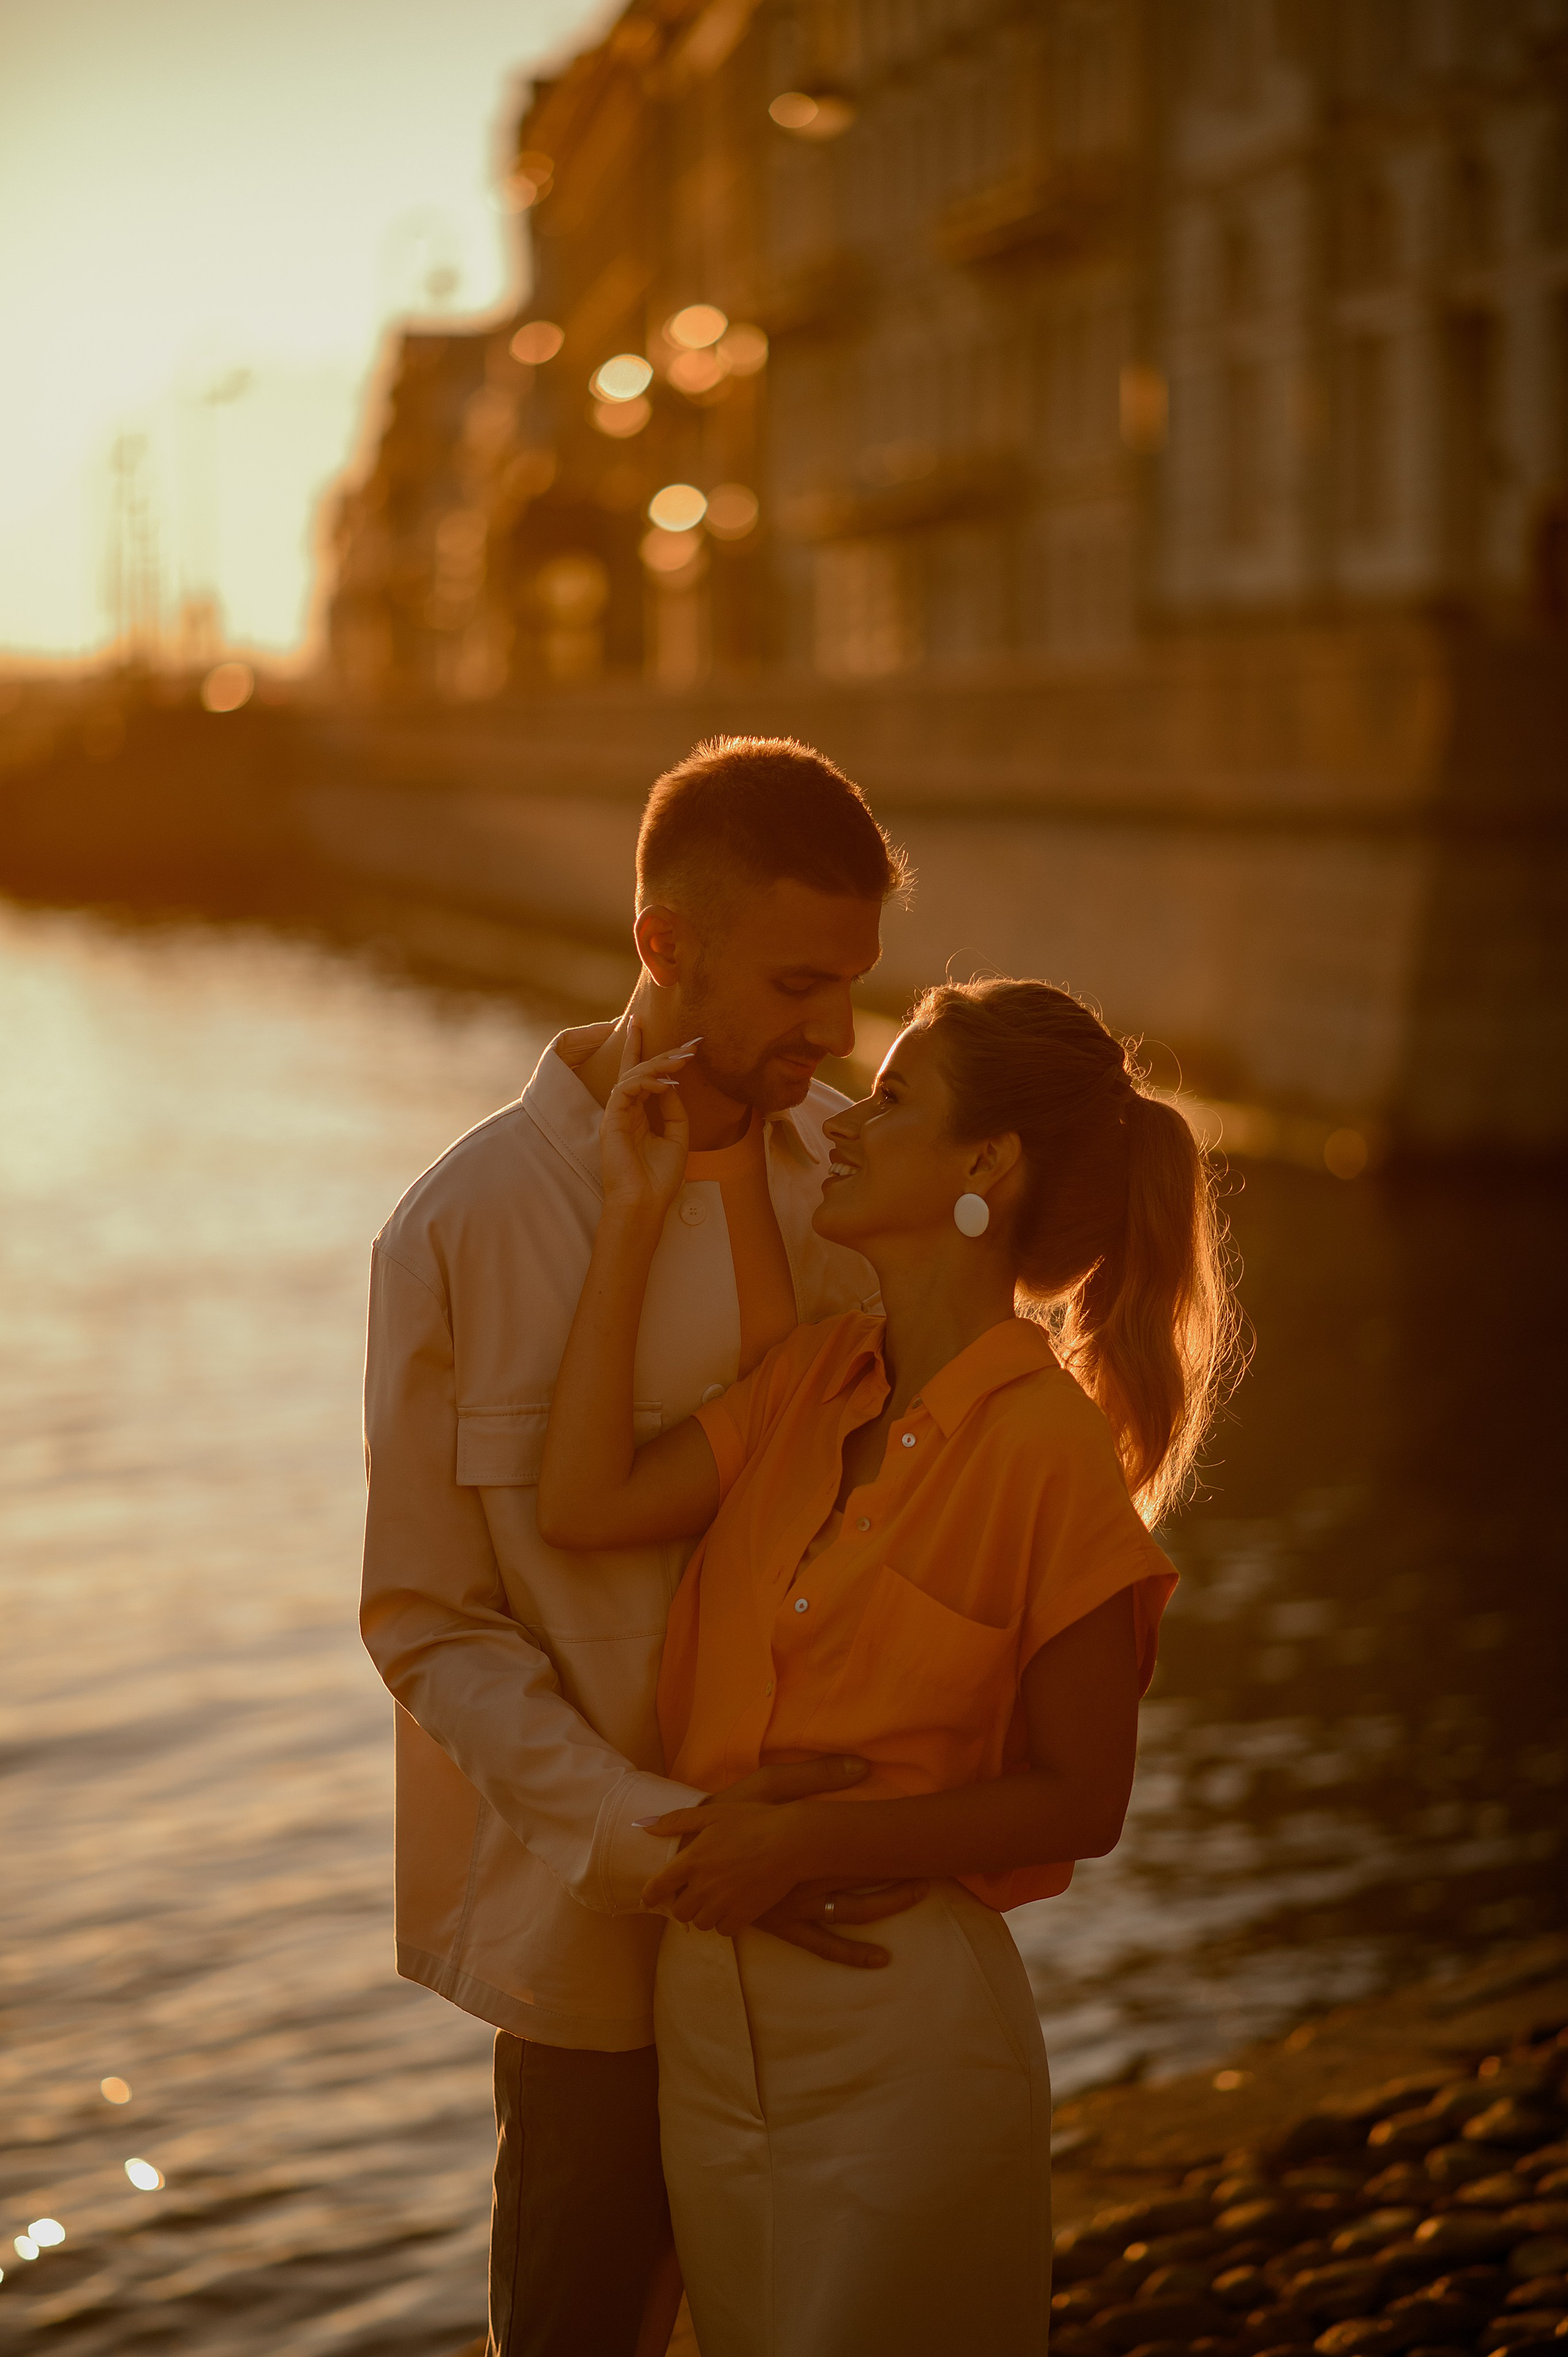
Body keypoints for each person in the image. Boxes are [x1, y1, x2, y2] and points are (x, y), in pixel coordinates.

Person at [537, 976, 1242, 2357]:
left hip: (900, 2048)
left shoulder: (1049, 1450)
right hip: (708, 2027)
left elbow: (1080, 1796)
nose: (846, 1120)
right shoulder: (814, 1377)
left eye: (896, 1098)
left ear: (986, 1165)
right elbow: (580, 1502)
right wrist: (633, 1210)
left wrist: (806, 1841)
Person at [359, 736, 933, 2357]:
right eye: (799, 983)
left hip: (836, 1909)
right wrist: (659, 1838)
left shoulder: (858, 1181)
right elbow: (427, 1623)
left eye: (855, 985)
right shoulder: (459, 1227)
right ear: (662, 945)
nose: (836, 1036)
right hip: (595, 1952)